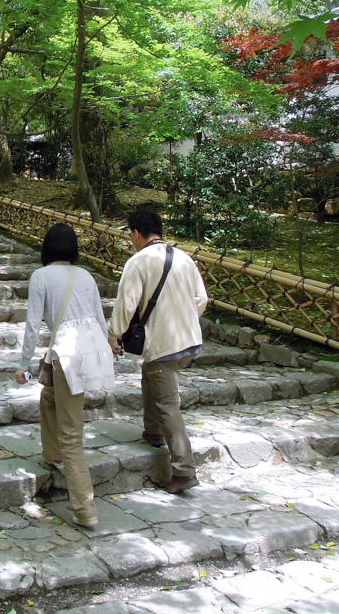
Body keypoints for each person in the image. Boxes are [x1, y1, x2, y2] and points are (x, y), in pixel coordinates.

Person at [108, 209, 209, 494]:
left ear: (136, 233)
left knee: (168, 403)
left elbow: (126, 305)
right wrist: (184, 318)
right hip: (189, 340)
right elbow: (201, 298)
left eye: (130, 234)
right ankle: (152, 431)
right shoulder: (184, 257)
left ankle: (184, 470)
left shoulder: (138, 262)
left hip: (164, 344)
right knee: (150, 372)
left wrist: (113, 334)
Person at [15, 223, 104, 529]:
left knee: (71, 434)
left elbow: (32, 324)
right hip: (85, 353)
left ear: (47, 247)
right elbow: (99, 318)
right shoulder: (86, 275)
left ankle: (85, 508)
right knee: (49, 396)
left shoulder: (41, 276)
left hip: (66, 356)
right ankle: (51, 453)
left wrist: (23, 364)